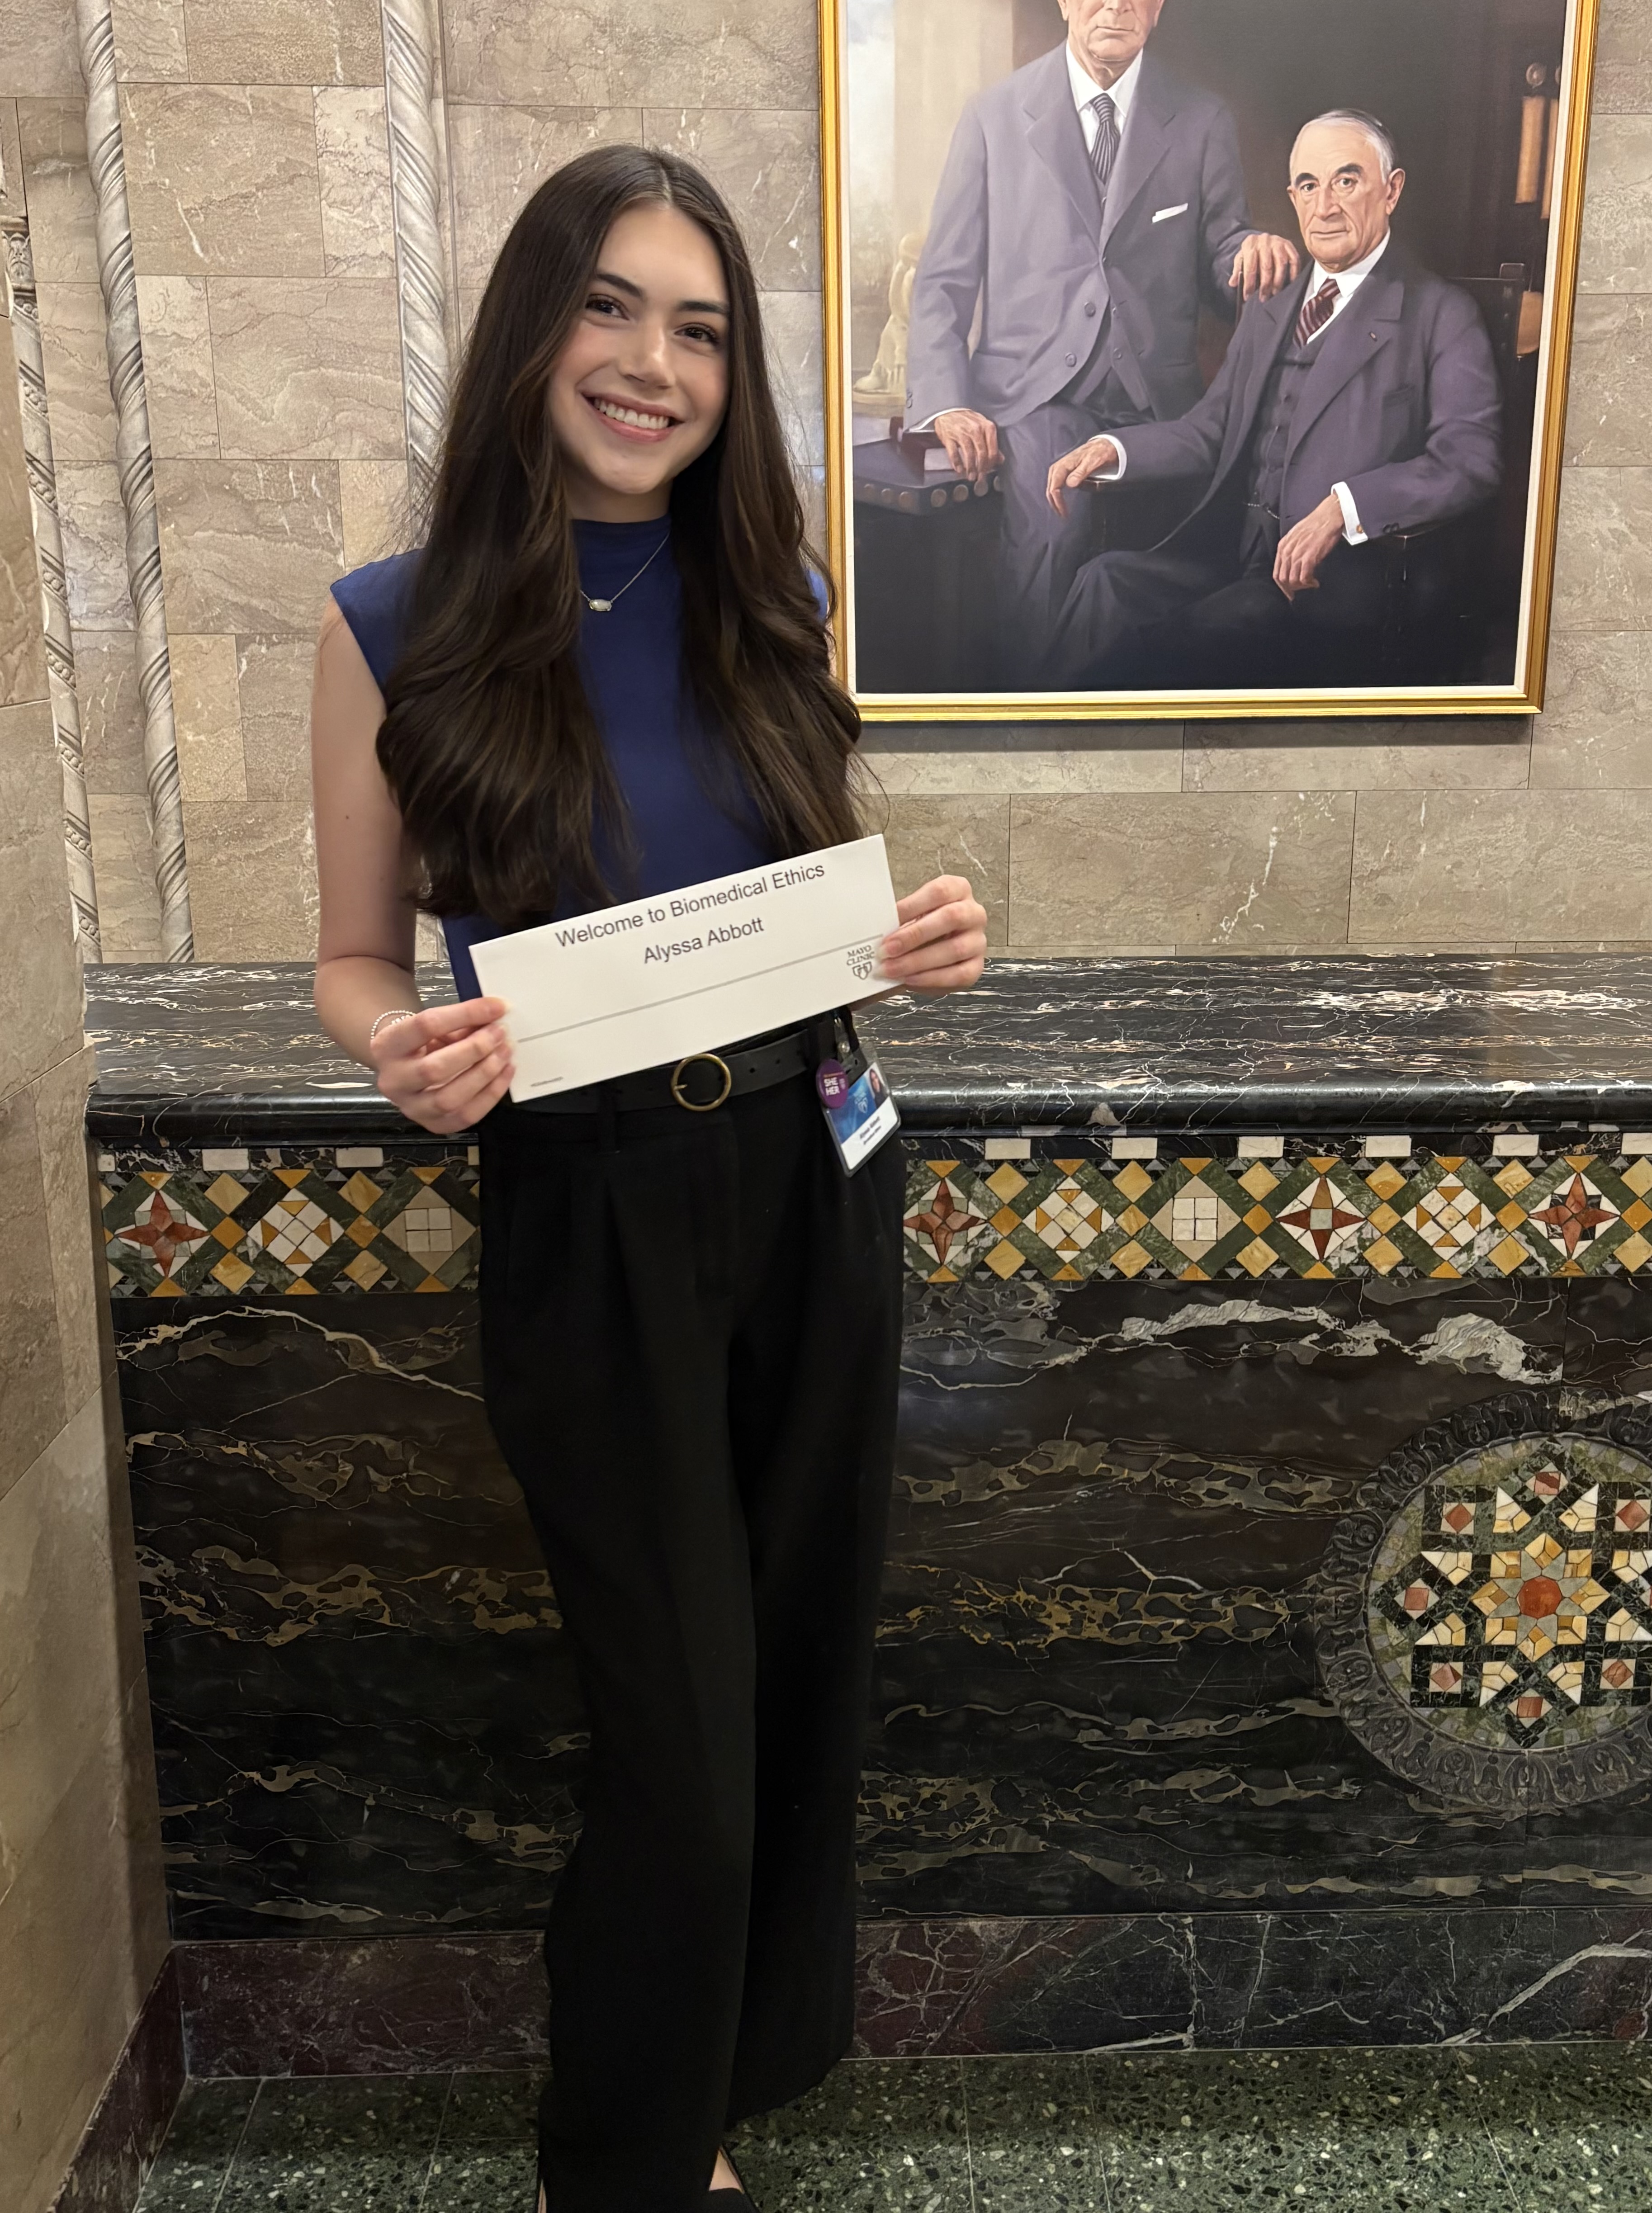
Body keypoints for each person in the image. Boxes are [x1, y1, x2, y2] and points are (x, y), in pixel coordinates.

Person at [310, 145, 987, 2213]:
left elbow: (793, 894)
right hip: (588, 1215)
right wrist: (397, 1051)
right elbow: (351, 959)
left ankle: (711, 2100)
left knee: (793, 1681)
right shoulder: (391, 628)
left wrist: (920, 942)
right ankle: (613, 2165)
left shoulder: (774, 591)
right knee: (681, 1742)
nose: (652, 361)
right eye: (611, 306)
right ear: (535, 325)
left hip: (812, 1174)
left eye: (699, 326)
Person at [902, 0, 1299, 682]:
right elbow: (943, 280)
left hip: (1161, 401)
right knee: (1054, 530)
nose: (1116, 0)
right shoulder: (991, 117)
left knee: (1214, 556)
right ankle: (1032, 720)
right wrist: (946, 401)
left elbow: (1223, 259)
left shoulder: (1201, 120)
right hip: (1036, 394)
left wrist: (1249, 250)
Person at [1042, 110, 1504, 689]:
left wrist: (1342, 508)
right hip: (1230, 557)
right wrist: (1112, 450)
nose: (1325, 206)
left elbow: (1469, 462)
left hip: (1323, 587)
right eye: (1308, 186)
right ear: (1291, 197)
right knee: (1104, 582)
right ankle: (1041, 750)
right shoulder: (1271, 307)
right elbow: (1210, 430)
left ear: (1391, 191)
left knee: (1177, 646)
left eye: (1346, 180)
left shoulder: (1440, 314)